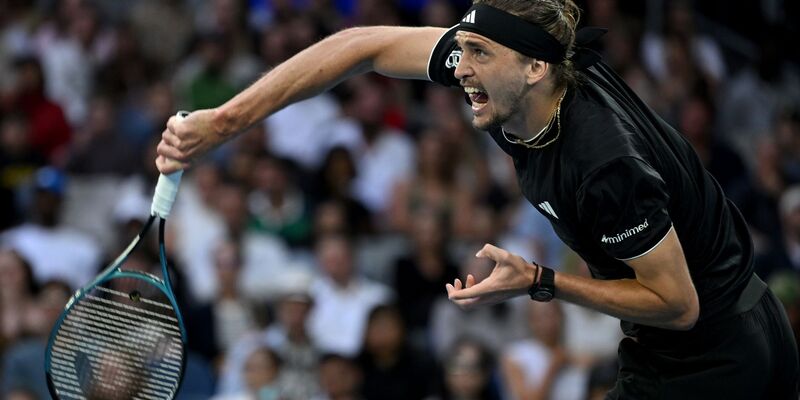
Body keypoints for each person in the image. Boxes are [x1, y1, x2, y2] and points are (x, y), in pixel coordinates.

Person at [155, 0, 799, 397]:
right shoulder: (522, 81)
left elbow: (677, 304)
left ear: (535, 67)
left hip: (711, 358)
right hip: (731, 329)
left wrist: (541, 281)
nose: (459, 68)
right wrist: (226, 121)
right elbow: (363, 46)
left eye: (478, 54)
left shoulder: (603, 164)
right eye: (461, 49)